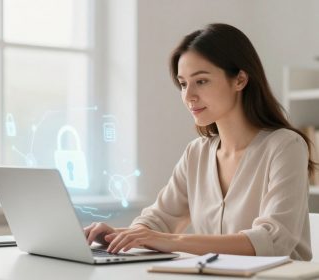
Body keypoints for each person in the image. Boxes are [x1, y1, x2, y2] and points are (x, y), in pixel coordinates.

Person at [84, 23, 314, 261]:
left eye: (201, 81)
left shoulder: (286, 146)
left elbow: (274, 241)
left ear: (240, 80)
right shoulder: (197, 153)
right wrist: (119, 236)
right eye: (183, 84)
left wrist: (172, 241)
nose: (188, 95)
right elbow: (160, 219)